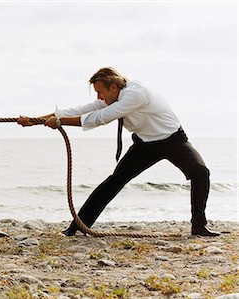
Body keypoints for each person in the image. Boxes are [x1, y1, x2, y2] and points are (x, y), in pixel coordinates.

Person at [18, 67, 219, 237]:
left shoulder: (135, 94)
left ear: (113, 87)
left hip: (173, 140)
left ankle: (199, 226)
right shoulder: (113, 97)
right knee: (114, 182)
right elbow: (78, 110)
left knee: (201, 172)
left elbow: (100, 118)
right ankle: (77, 227)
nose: (98, 97)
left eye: (100, 92)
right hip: (144, 144)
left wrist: (59, 122)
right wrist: (34, 120)